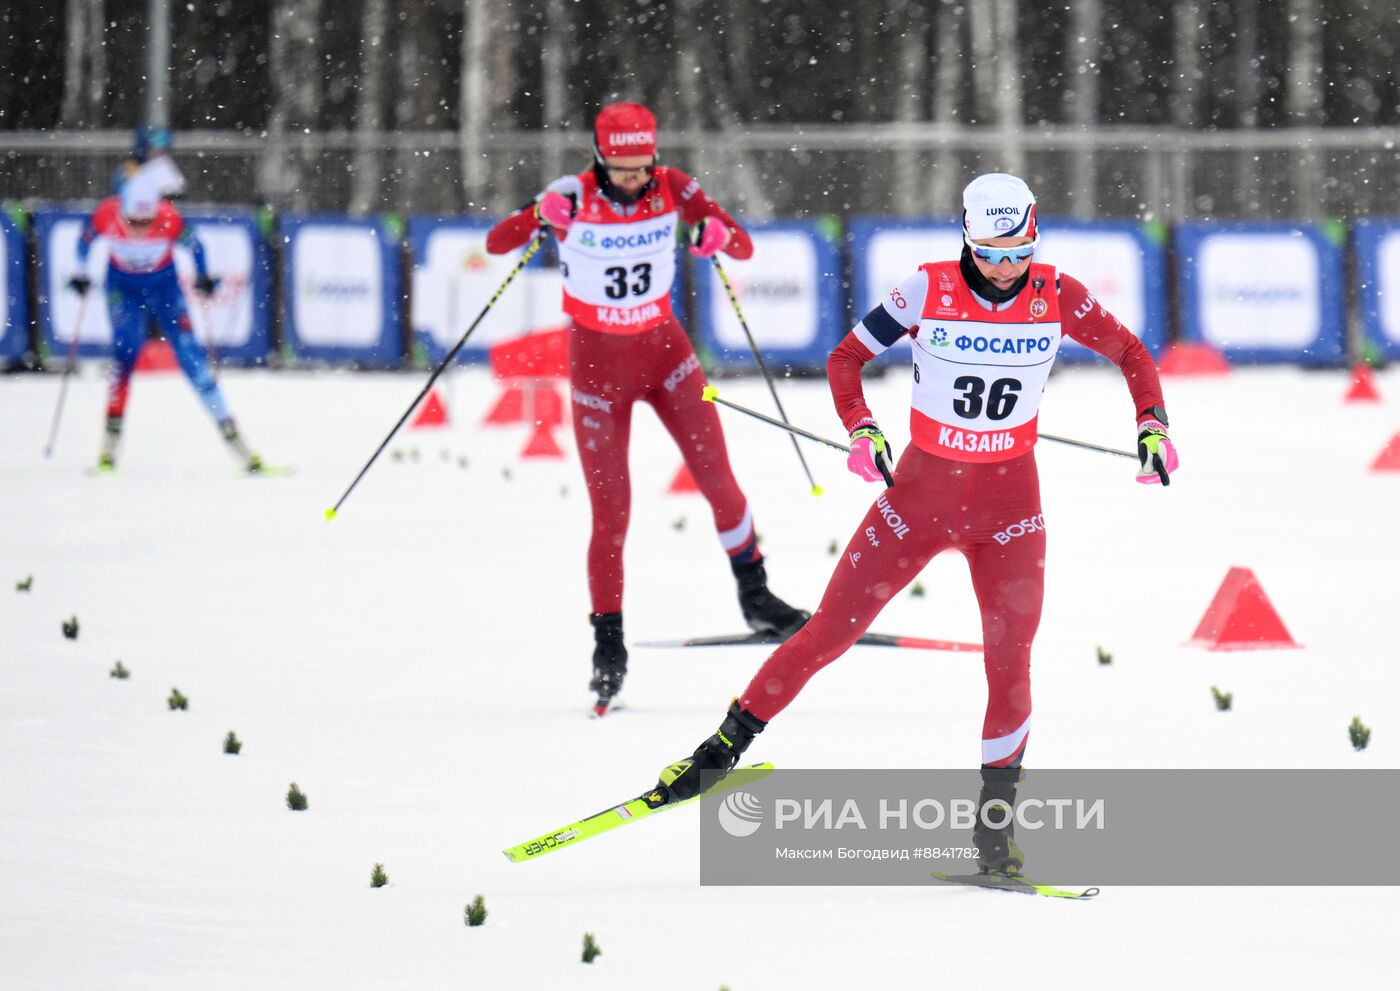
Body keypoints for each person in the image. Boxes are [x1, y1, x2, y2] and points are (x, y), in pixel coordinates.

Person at [643, 173, 1178, 877]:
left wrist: (1152, 426)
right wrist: (862, 430)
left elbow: (1134, 354)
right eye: (991, 253)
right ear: (966, 239)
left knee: (1010, 661)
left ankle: (995, 830)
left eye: (1020, 251)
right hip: (918, 501)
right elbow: (845, 358)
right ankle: (719, 749)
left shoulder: (1057, 293)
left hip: (1011, 513)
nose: (1007, 268)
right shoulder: (926, 289)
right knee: (829, 631)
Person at [485, 102, 808, 712]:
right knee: (611, 517)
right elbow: (498, 242)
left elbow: (739, 247)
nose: (634, 180)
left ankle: (757, 597)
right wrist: (535, 215)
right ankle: (608, 644)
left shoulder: (674, 186)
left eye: (643, 168)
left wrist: (717, 235)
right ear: (600, 159)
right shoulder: (571, 195)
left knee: (722, 483)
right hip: (596, 380)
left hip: (668, 360)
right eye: (621, 169)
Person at [67, 182, 262, 473]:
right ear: (122, 211)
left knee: (192, 360)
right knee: (125, 356)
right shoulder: (106, 213)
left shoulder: (170, 218)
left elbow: (196, 246)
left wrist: (203, 276)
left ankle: (239, 446)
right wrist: (81, 273)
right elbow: (83, 244)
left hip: (165, 290)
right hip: (123, 290)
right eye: (133, 221)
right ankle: (109, 448)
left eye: (147, 222)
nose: (140, 229)